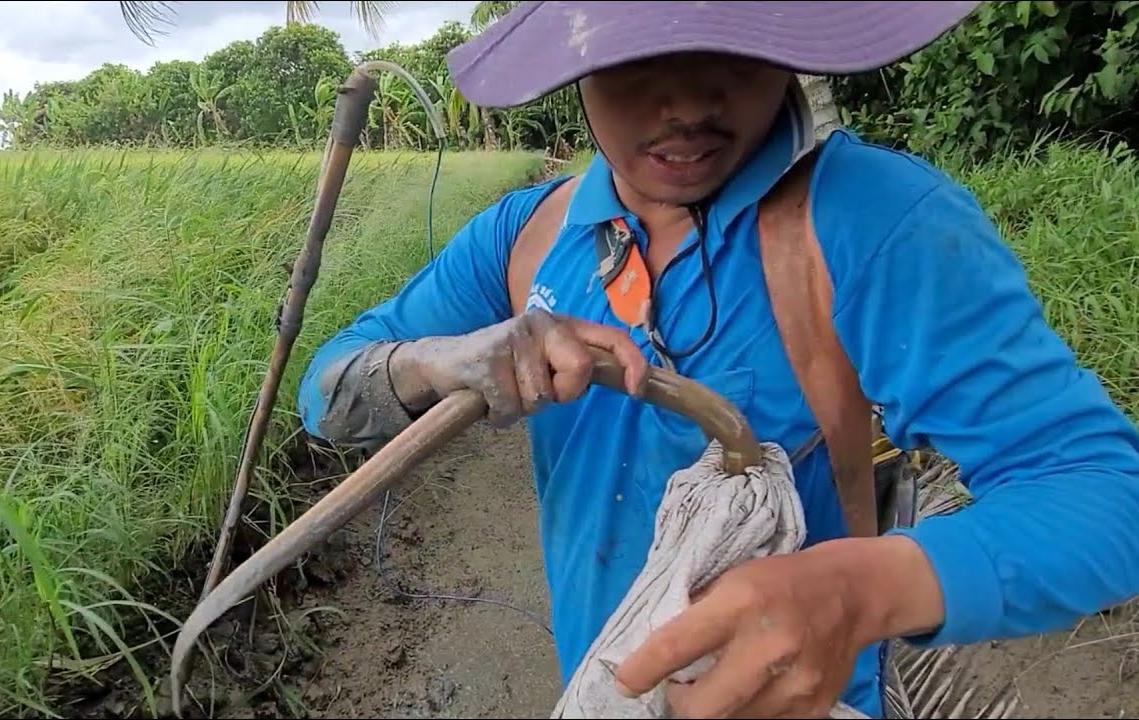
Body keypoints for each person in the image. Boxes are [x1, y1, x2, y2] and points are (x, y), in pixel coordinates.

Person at [296, 2, 1139, 717]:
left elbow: (1103, 492)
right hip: (603, 676)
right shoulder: (529, 235)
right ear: (577, 58)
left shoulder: (876, 222)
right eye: (639, 55)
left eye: (729, 41)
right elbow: (327, 392)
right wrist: (445, 360)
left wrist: (857, 593)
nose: (688, 101)